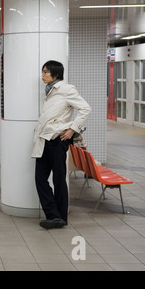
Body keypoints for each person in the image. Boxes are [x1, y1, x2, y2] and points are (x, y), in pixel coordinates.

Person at [32, 60, 91, 229]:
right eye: (42, 71)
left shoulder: (66, 89)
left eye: (45, 72)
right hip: (44, 139)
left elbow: (85, 108)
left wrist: (72, 129)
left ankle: (60, 217)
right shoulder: (49, 91)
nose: (42, 75)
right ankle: (54, 215)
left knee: (58, 179)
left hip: (58, 140)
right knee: (40, 178)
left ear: (55, 74)